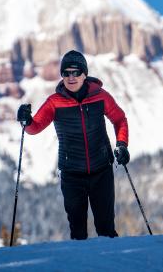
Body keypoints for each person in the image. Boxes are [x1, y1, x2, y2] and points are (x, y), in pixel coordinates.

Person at [16, 50, 130, 240]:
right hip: (71, 175)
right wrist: (26, 121)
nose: (71, 77)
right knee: (78, 232)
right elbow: (35, 127)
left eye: (76, 72)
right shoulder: (54, 102)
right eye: (66, 72)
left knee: (106, 229)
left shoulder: (101, 96)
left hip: (101, 170)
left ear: (85, 74)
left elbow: (120, 120)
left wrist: (122, 145)